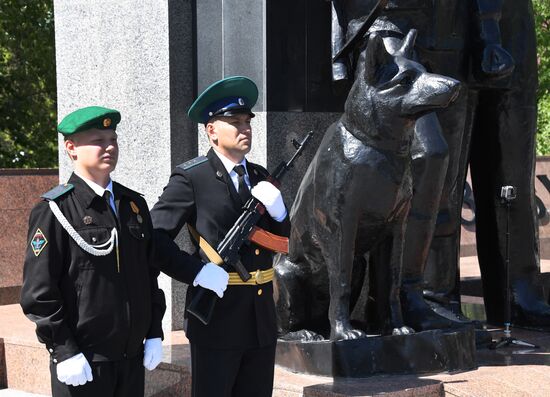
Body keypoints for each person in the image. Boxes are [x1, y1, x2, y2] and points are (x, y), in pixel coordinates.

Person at [151, 76, 290, 397]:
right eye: (234, 122)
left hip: (261, 320)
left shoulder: (260, 176)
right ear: (211, 130)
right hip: (217, 317)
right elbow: (154, 238)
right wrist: (196, 272)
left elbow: (286, 242)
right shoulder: (191, 177)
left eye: (247, 121)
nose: (245, 128)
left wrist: (281, 214)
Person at [20, 106, 166, 397]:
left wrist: (153, 331)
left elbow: (147, 277)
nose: (109, 146)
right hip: (84, 361)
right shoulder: (55, 210)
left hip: (130, 358)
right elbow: (39, 293)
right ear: (72, 148)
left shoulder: (132, 205)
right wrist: (63, 349)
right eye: (98, 140)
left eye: (113, 139)